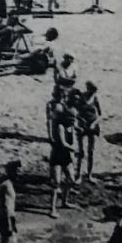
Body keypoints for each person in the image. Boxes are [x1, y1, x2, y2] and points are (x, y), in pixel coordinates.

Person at [46, 88, 76, 217]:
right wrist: (74, 150)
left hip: (66, 155)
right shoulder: (60, 126)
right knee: (56, 182)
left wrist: (72, 152)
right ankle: (52, 209)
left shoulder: (71, 128)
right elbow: (63, 143)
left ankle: (64, 201)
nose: (73, 120)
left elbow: (72, 141)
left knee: (71, 179)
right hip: (57, 155)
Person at [72, 82, 102, 182]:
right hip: (82, 125)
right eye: (92, 90)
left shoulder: (96, 98)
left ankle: (89, 175)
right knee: (81, 152)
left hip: (93, 125)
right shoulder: (81, 98)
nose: (93, 92)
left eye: (95, 91)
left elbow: (101, 115)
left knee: (91, 151)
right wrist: (80, 121)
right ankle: (78, 175)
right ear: (88, 88)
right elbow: (76, 112)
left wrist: (94, 123)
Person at [0, 160, 20, 243]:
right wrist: (10, 224)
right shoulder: (6, 186)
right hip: (5, 219)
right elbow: (6, 207)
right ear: (10, 172)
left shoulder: (10, 185)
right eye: (16, 171)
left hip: (9, 218)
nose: (18, 174)